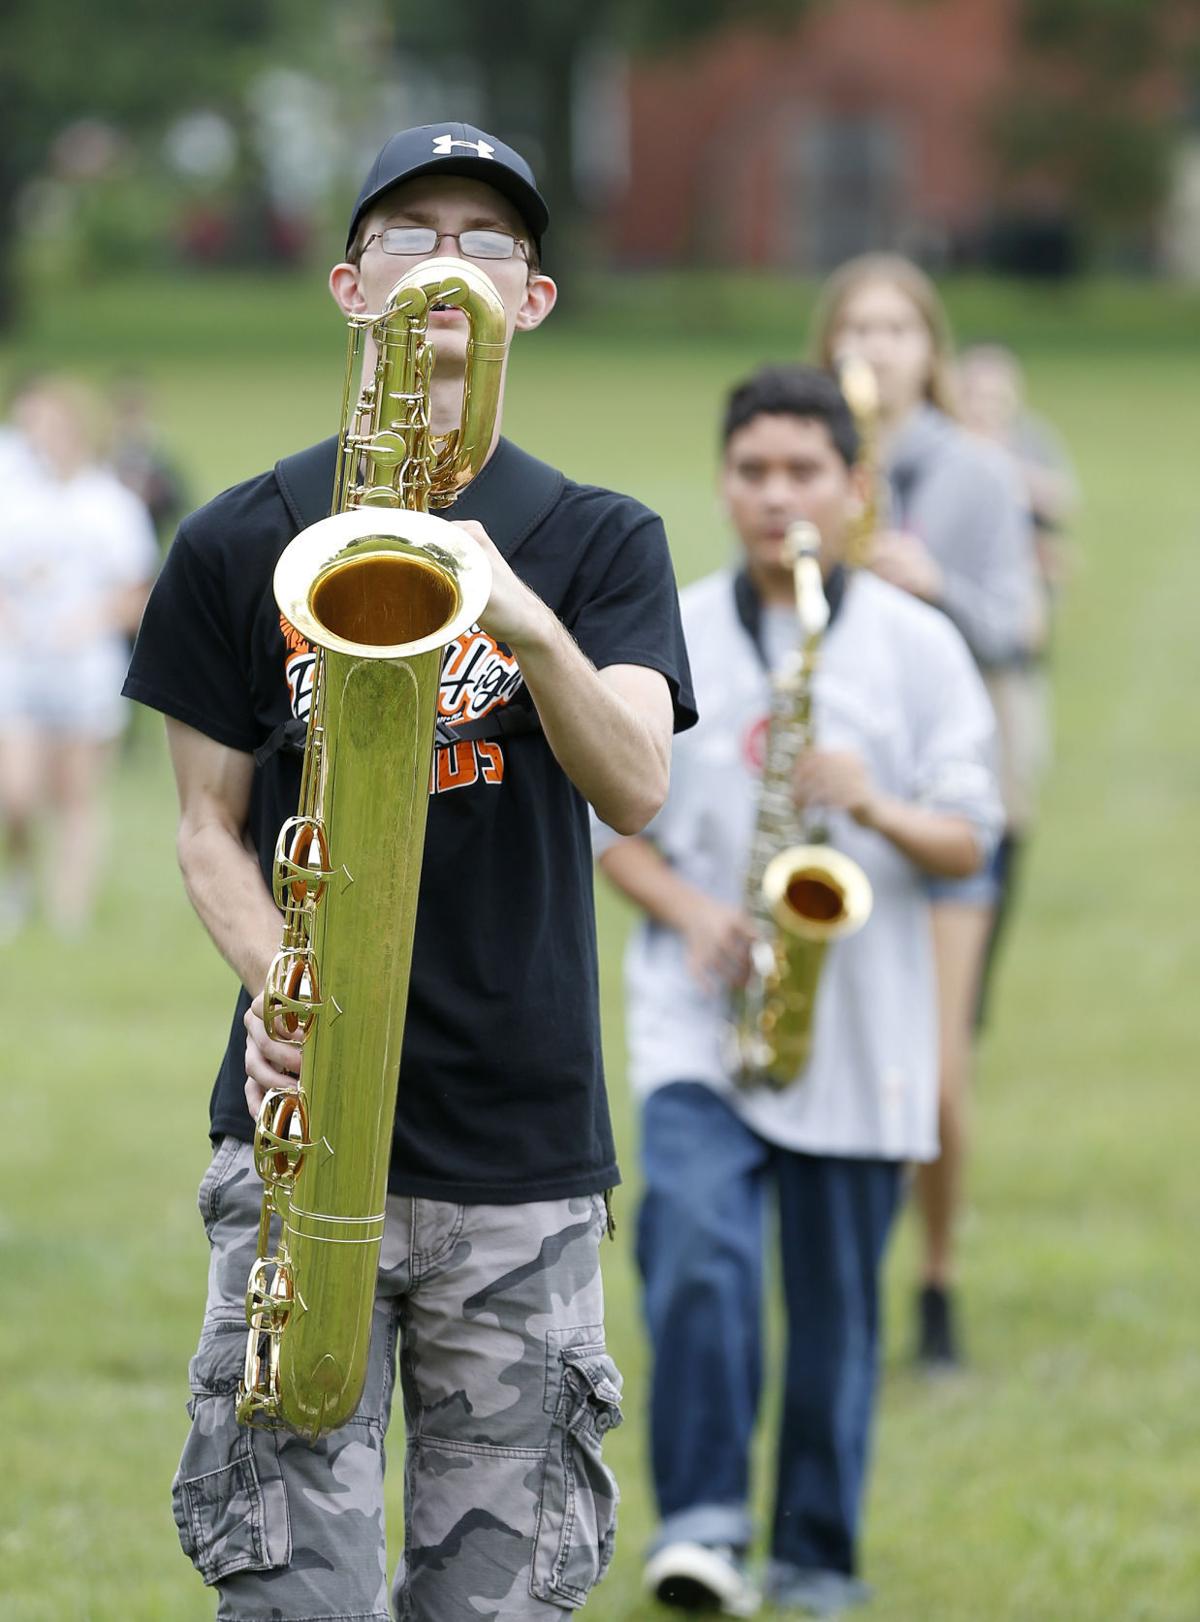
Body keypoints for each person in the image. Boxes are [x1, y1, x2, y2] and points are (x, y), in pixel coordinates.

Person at [123, 123, 696, 1622]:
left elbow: (635, 786)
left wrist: (522, 614)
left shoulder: (600, 540)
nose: (450, 268)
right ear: (348, 285)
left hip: (519, 1155)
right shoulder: (239, 535)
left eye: (488, 241)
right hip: (301, 1139)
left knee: (497, 1603)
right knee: (289, 1596)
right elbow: (205, 826)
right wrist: (281, 977)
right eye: (412, 236)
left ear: (538, 297)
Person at [595, 365, 1002, 1616]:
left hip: (859, 1021)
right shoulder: (675, 629)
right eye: (753, 472)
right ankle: (707, 1525)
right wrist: (695, 909)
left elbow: (972, 836)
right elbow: (604, 821)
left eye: (804, 472)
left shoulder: (918, 643)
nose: (777, 498)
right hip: (697, 1015)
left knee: (834, 1313)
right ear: (725, 483)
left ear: (855, 485)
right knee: (698, 1258)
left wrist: (872, 797)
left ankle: (816, 1556)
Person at [811, 254, 1041, 1368]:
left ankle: (936, 1281)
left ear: (929, 349)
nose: (876, 345)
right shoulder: (807, 461)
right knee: (846, 1055)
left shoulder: (979, 473)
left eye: (898, 327)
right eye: (856, 326)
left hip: (951, 799)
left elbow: (1019, 629)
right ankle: (840, 1280)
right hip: (838, 803)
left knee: (940, 1067)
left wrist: (928, 583)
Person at [0, 375, 157, 939]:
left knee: (76, 794)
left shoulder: (109, 505)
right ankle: (18, 878)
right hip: (19, 666)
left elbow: (137, 592)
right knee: (16, 792)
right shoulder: (14, 497)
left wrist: (87, 622)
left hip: (84, 668)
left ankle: (70, 912)